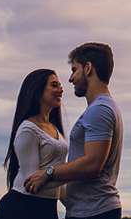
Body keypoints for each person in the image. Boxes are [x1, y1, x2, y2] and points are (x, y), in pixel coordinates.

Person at [25, 42, 123, 219]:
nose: (70, 79)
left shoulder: (100, 109)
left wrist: (49, 172)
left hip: (95, 211)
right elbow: (89, 165)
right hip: (89, 210)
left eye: (74, 70)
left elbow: (92, 164)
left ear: (88, 68)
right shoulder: (100, 108)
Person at [0, 69, 69, 219]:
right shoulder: (28, 130)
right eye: (54, 85)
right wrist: (78, 172)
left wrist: (80, 209)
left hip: (47, 207)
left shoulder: (54, 129)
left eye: (60, 86)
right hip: (21, 207)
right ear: (38, 92)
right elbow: (33, 183)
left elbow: (59, 186)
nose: (60, 90)